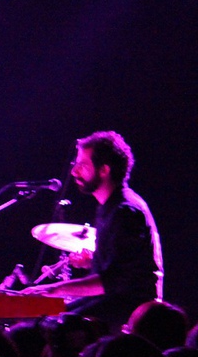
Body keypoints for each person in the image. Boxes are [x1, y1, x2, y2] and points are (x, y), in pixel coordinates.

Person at [26, 131, 163, 329]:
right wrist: (93, 261)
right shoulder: (109, 206)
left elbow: (115, 280)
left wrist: (54, 288)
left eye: (82, 165)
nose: (74, 172)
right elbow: (126, 264)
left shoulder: (125, 211)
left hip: (131, 310)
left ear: (104, 170)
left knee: (52, 326)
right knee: (43, 315)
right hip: (113, 300)